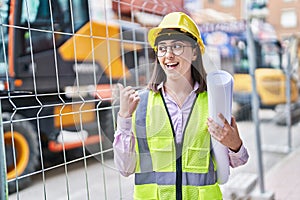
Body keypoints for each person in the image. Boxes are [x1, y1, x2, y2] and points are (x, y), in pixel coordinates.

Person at [113, 12, 249, 200]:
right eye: (162, 48)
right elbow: (125, 168)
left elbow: (238, 161)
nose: (168, 55)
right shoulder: (141, 104)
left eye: (176, 46)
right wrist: (124, 119)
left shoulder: (212, 100)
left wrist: (235, 144)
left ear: (194, 52)